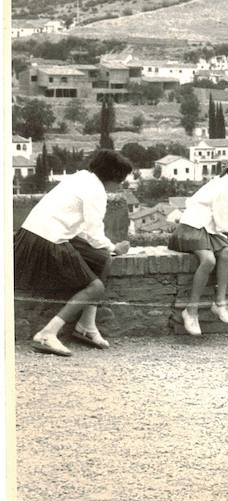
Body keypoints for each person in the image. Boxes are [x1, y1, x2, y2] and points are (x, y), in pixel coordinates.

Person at [14, 149, 133, 356]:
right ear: (114, 177)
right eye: (121, 180)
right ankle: (47, 333)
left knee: (102, 258)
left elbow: (83, 231)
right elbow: (94, 233)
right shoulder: (97, 192)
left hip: (31, 236)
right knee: (95, 287)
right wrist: (115, 247)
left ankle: (86, 326)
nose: (121, 184)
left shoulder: (80, 177)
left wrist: (107, 250)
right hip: (45, 242)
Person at [168, 147, 228, 336]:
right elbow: (226, 229)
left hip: (205, 230)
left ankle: (220, 303)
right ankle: (191, 311)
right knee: (208, 260)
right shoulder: (225, 189)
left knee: (227, 252)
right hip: (192, 228)